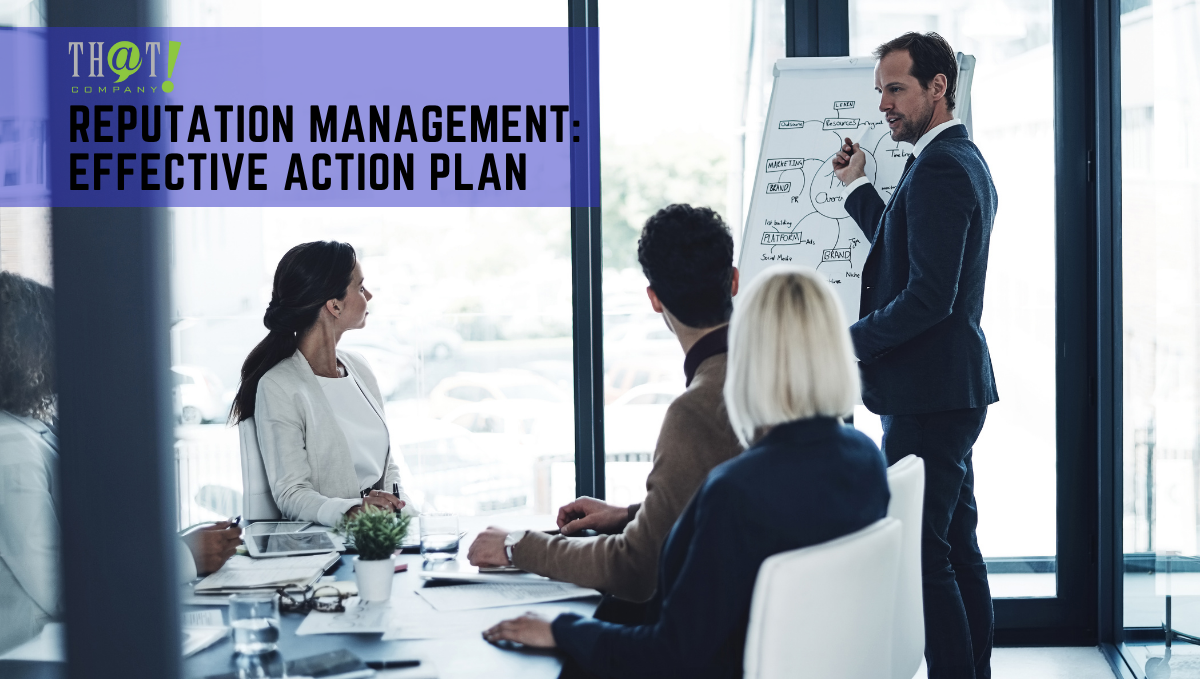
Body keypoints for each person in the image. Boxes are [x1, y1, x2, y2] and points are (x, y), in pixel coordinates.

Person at [482, 265, 890, 679]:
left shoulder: (736, 491)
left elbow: (671, 654)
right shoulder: (864, 459)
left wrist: (561, 630)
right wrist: (630, 515)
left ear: (746, 359)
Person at [466, 204, 743, 606]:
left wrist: (517, 546)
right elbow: (725, 509)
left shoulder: (699, 408)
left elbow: (635, 568)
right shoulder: (772, 375)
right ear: (733, 281)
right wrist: (630, 516)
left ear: (654, 299)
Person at [831, 31, 998, 679]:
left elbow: (928, 297)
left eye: (895, 88)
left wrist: (842, 344)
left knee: (929, 560)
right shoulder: (949, 161)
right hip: (943, 392)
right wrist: (857, 188)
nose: (883, 106)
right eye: (880, 92)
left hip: (930, 396)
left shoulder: (944, 169)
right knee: (957, 547)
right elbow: (906, 257)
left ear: (938, 87)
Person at [0, 271, 240, 654]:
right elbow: (59, 588)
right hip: (38, 654)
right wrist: (183, 557)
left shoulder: (27, 424)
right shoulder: (9, 446)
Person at [231, 241, 413, 528]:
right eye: (361, 288)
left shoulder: (360, 369)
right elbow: (291, 493)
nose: (370, 295)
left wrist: (402, 511)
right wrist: (351, 511)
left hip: (378, 538)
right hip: (327, 549)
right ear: (335, 305)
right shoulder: (279, 385)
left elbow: (388, 467)